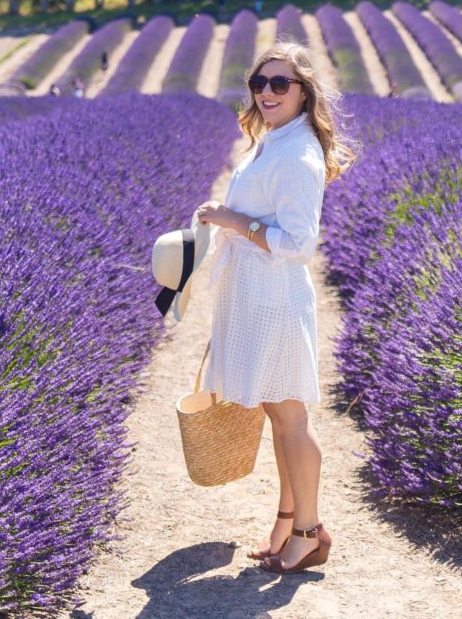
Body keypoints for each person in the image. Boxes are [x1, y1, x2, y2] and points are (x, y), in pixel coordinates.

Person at [196, 40, 354, 574]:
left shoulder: (298, 153)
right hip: (253, 292)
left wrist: (232, 220)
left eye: (279, 84)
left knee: (289, 416)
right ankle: (288, 521)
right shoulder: (273, 141)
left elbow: (298, 244)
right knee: (275, 411)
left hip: (275, 296)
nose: (267, 93)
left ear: (303, 91)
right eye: (259, 84)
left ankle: (310, 532)